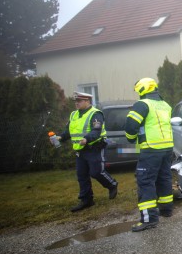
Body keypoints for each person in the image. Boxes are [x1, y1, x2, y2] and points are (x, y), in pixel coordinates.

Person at [125, 78, 174, 232]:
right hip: (167, 148)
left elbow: (131, 126)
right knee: (164, 178)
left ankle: (149, 219)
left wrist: (131, 139)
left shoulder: (142, 104)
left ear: (142, 90)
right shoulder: (165, 104)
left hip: (151, 149)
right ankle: (166, 209)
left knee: (145, 181)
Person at [56, 92, 118, 212]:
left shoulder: (95, 114)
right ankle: (86, 200)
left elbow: (96, 131)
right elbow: (68, 131)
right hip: (80, 150)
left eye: (79, 101)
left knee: (96, 172)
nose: (76, 103)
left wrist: (87, 139)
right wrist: (60, 138)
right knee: (82, 175)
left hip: (94, 148)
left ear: (87, 101)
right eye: (76, 101)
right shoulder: (73, 114)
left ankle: (112, 184)